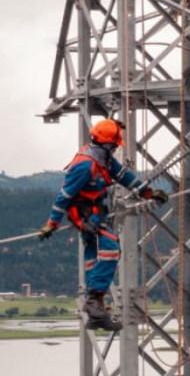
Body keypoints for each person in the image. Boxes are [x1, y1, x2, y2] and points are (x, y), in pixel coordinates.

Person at [37, 119, 168, 331]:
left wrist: (148, 192)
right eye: (115, 145)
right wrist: (52, 223)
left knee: (93, 256)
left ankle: (94, 309)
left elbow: (124, 176)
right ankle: (94, 301)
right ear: (107, 145)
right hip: (84, 214)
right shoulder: (86, 165)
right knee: (111, 250)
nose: (116, 148)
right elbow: (64, 196)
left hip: (95, 210)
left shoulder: (103, 159)